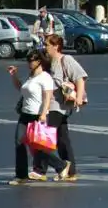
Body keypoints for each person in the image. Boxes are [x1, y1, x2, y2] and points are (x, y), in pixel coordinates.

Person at [7, 50, 71, 185]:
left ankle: (61, 165)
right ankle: (21, 175)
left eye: (32, 60)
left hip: (37, 115)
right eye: (28, 60)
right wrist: (14, 76)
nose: (29, 63)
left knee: (37, 146)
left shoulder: (45, 77)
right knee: (19, 143)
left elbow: (48, 96)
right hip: (25, 114)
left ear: (39, 61)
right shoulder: (31, 76)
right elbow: (21, 88)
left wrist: (43, 113)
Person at [32, 35, 87, 182]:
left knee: (42, 138)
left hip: (58, 105)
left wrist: (79, 97)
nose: (45, 47)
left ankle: (41, 170)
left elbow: (79, 78)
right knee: (62, 139)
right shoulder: (49, 62)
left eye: (47, 44)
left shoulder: (66, 60)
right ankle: (70, 172)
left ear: (56, 46)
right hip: (51, 105)